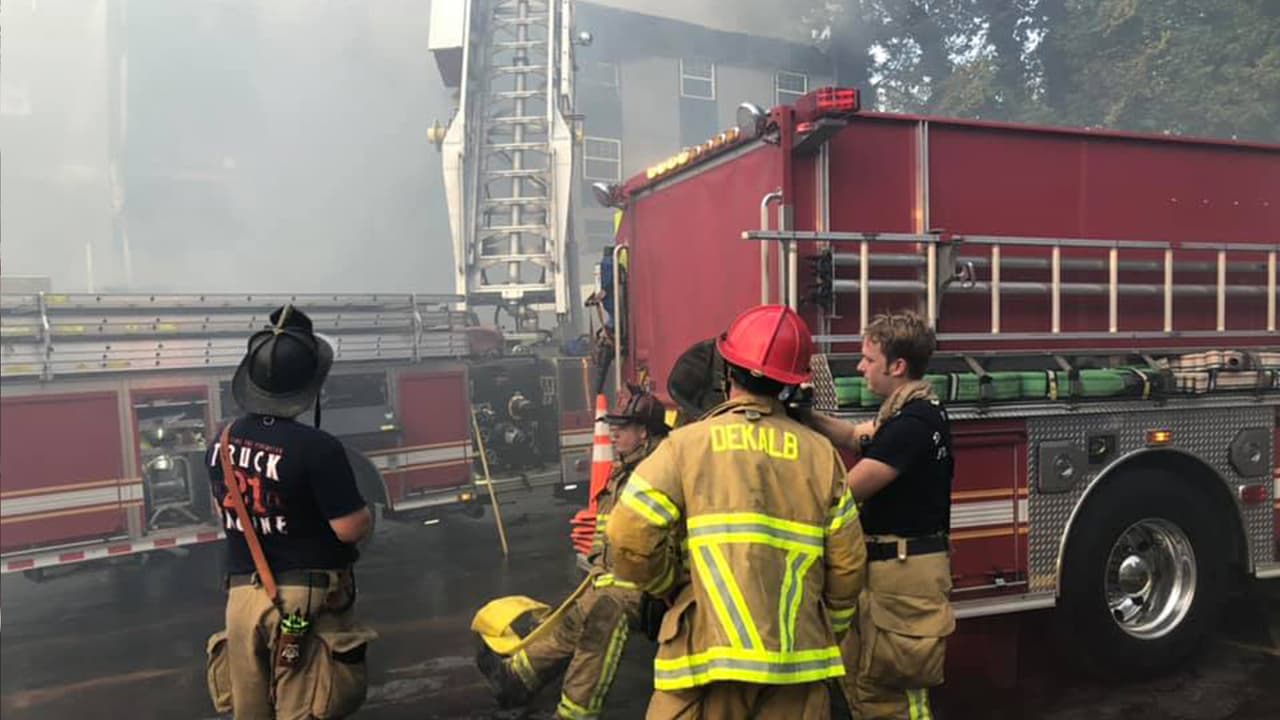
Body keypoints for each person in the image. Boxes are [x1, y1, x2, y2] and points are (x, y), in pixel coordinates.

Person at [606, 304, 866, 719]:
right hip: (795, 670)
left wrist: (667, 586)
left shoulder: (685, 446)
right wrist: (824, 628)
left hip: (704, 663)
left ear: (727, 372)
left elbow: (627, 535)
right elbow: (849, 566)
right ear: (790, 385)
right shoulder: (822, 455)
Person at [206, 305, 375, 719]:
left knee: (251, 711)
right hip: (298, 602)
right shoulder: (317, 448)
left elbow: (223, 507)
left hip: (242, 598)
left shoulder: (222, 440)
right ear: (309, 386)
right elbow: (350, 529)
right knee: (302, 708)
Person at [476, 389, 670, 719]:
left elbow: (656, 544)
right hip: (615, 577)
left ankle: (574, 713)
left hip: (648, 585)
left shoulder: (659, 473)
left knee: (601, 622)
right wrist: (597, 565)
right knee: (573, 616)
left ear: (645, 432)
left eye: (623, 427)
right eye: (613, 425)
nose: (614, 432)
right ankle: (516, 680)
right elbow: (607, 529)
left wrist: (623, 581)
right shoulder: (626, 470)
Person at [805, 310, 955, 720]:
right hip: (897, 573)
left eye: (869, 360)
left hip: (902, 579)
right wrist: (806, 417)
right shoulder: (912, 414)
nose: (860, 367)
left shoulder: (912, 426)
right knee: (870, 684)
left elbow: (847, 492)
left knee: (890, 693)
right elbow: (857, 436)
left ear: (897, 366)